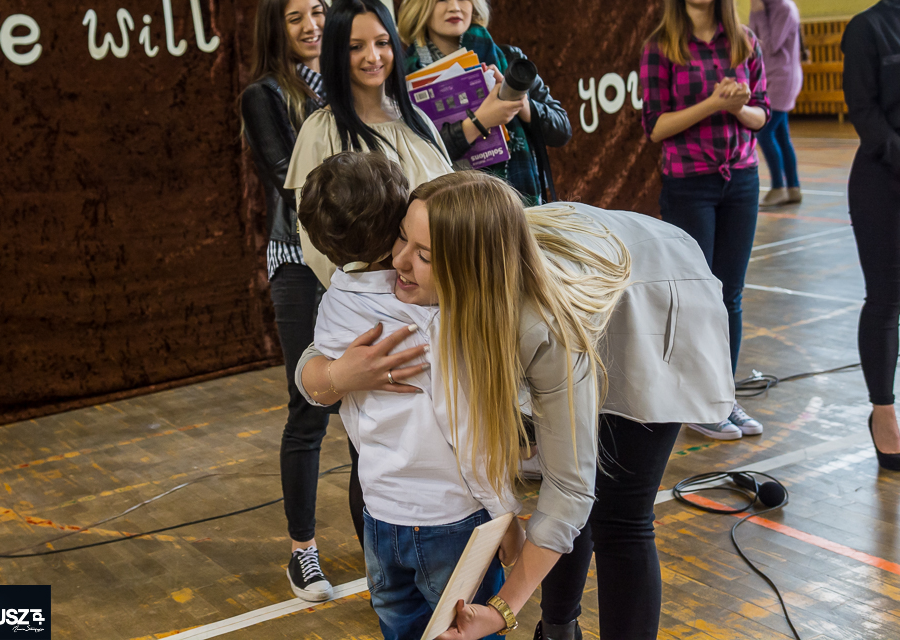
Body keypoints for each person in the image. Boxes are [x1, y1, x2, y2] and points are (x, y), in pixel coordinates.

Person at [296, 164, 735, 640]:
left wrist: (502, 609)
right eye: (400, 236)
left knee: (619, 516)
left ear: (466, 268)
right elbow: (320, 353)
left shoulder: (542, 324)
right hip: (579, 262)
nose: (395, 262)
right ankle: (559, 629)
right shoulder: (431, 265)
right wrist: (337, 374)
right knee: (564, 482)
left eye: (422, 254)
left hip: (655, 296)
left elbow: (569, 489)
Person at [296, 152, 523, 639]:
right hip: (449, 518)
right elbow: (466, 428)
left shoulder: (334, 302)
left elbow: (316, 381)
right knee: (470, 630)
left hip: (379, 515)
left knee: (400, 629)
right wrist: (504, 512)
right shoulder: (427, 314)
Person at [240, 0, 365, 603]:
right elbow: (292, 181)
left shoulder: (352, 84)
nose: (312, 25)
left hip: (358, 262)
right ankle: (303, 552)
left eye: (318, 11)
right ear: (277, 28)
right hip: (299, 263)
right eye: (296, 17)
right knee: (310, 406)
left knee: (369, 405)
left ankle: (379, 541)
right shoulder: (264, 95)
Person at [640, 0, 770, 441]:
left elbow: (761, 115)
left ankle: (723, 396)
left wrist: (737, 108)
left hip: (742, 180)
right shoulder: (660, 47)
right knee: (698, 297)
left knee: (730, 295)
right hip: (688, 184)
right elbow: (656, 127)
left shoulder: (744, 41)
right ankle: (698, 402)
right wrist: (715, 102)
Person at [285, 0, 453, 288]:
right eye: (356, 47)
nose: (373, 56)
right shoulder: (321, 131)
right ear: (336, 52)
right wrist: (382, 300)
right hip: (377, 303)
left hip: (444, 291)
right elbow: (318, 248)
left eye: (382, 42)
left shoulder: (417, 119)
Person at [398, 0, 571, 204]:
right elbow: (415, 157)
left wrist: (519, 101)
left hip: (521, 206)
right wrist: (480, 121)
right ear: (420, 7)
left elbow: (562, 130)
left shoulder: (509, 58)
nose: (455, 7)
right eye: (441, 0)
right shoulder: (402, 78)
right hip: (453, 208)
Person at [842, 0, 900, 471]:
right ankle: (884, 414)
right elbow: (864, 112)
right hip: (884, 184)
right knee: (886, 300)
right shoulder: (867, 28)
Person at [749, 0, 803, 207]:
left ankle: (779, 187)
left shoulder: (784, 8)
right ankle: (793, 187)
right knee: (781, 135)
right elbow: (753, 42)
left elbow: (770, 47)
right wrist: (757, 13)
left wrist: (759, 14)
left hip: (782, 80)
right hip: (769, 77)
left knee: (764, 132)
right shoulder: (765, 7)